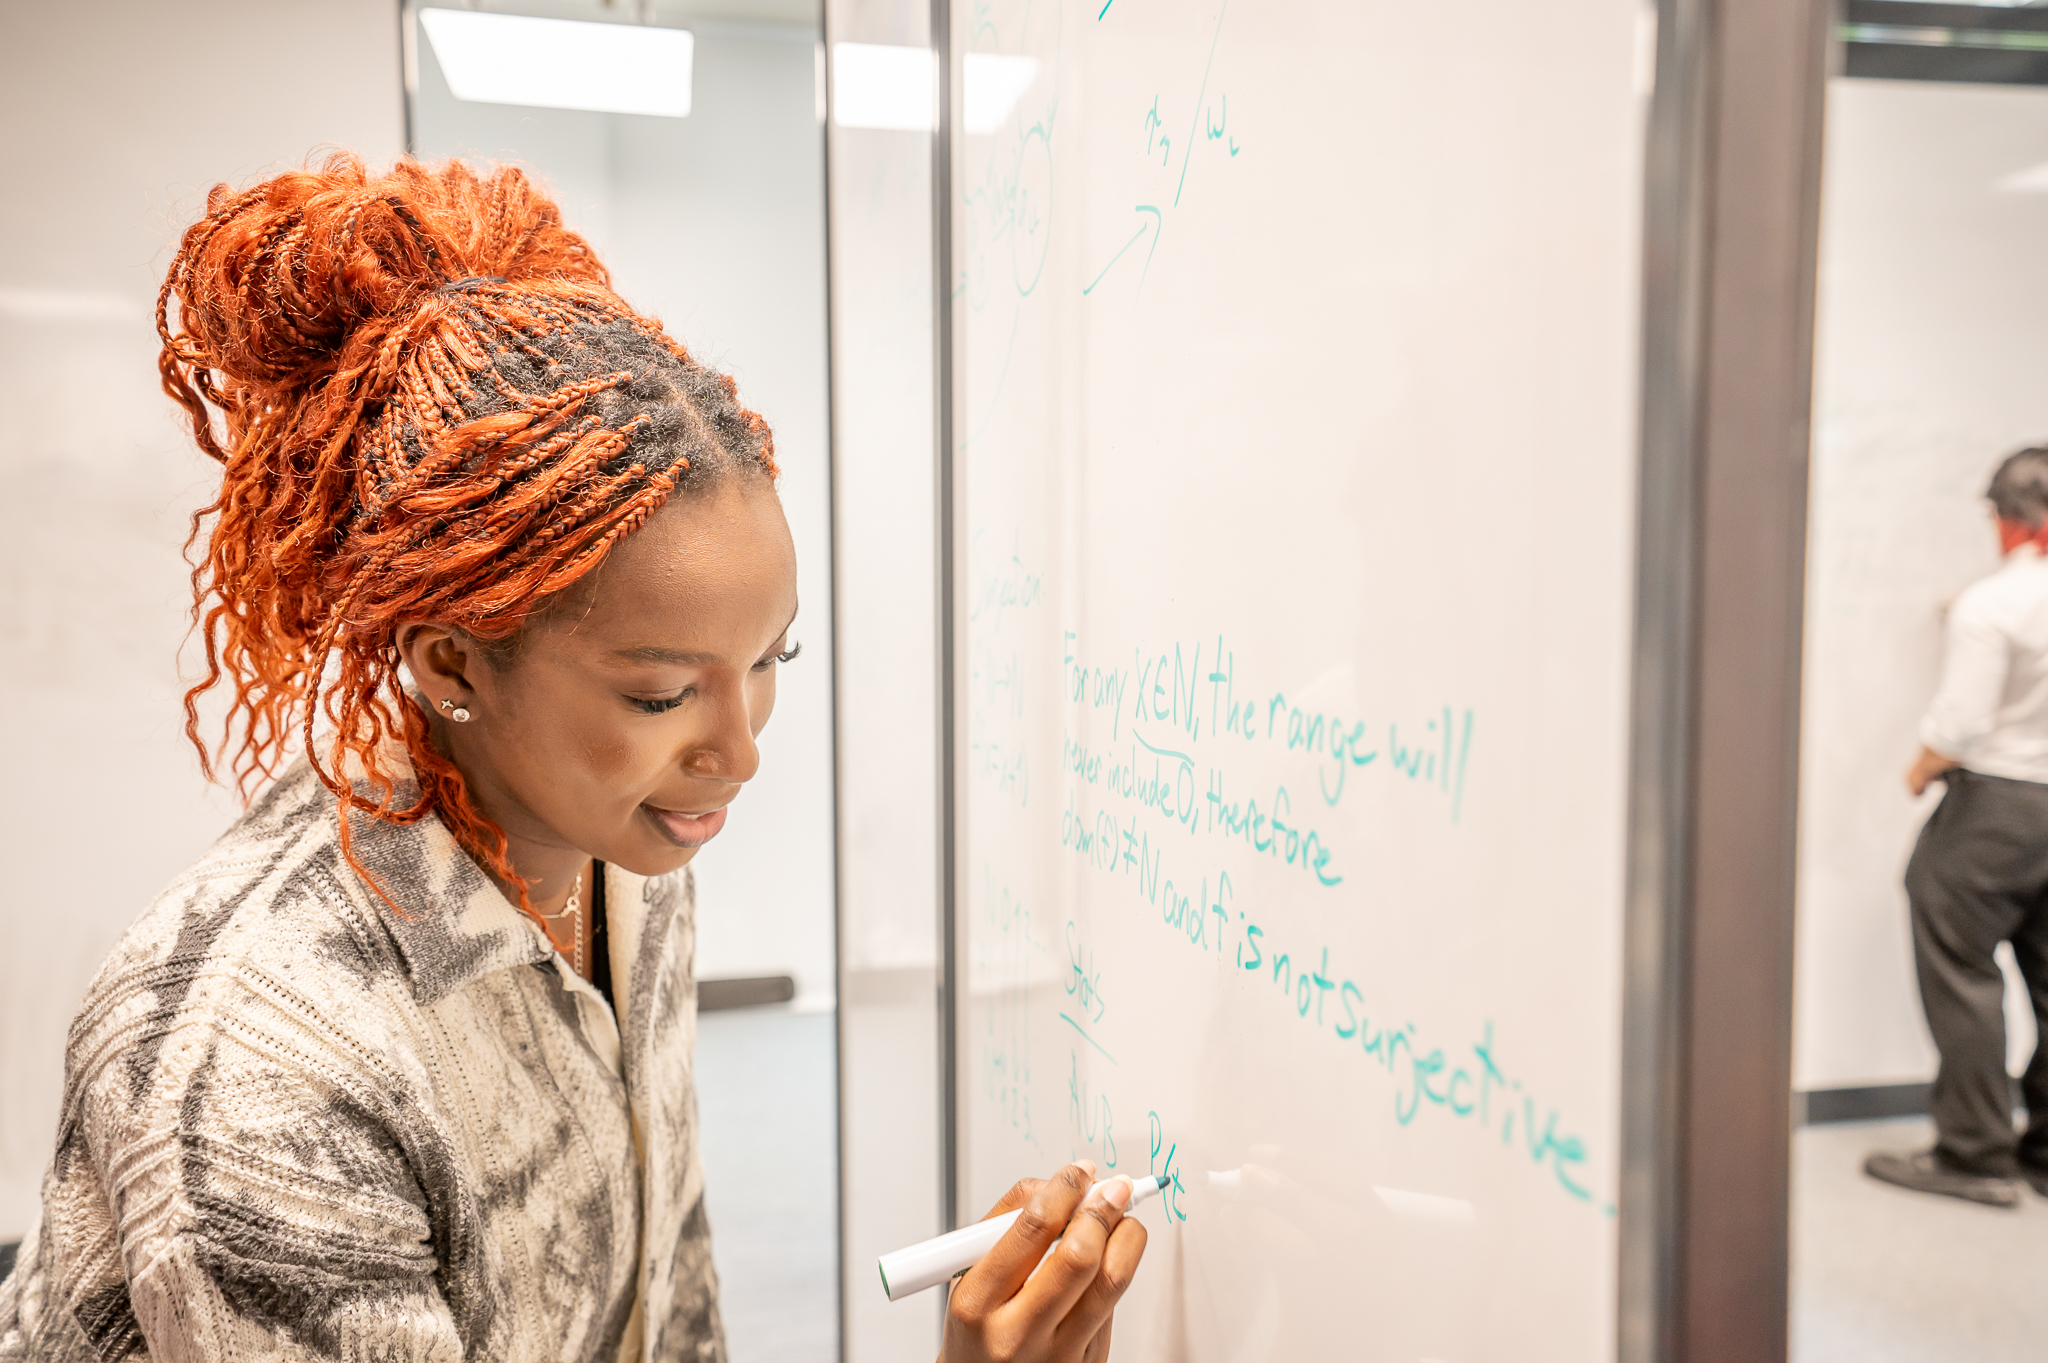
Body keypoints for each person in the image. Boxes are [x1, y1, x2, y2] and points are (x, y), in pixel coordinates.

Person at [0, 156, 1146, 1361]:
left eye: (769, 660)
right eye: (659, 693)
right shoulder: (265, 1072)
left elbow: (666, 1294)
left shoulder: (626, 858)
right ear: (451, 668)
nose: (739, 751)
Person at [1865, 446, 2048, 1209]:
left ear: (2006, 520)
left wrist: (1920, 766)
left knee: (1958, 963)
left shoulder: (1993, 604)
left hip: (1997, 807)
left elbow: (1963, 722)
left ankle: (1975, 1152)